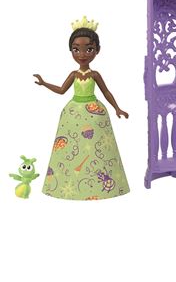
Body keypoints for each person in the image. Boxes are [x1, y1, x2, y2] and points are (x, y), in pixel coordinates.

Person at [34, 16, 130, 200]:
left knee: (96, 147)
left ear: (97, 50)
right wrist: (44, 83)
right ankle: (67, 181)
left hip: (95, 115)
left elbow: (106, 92)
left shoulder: (95, 74)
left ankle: (101, 183)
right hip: (73, 114)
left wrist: (117, 108)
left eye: (89, 49)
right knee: (72, 147)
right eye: (76, 49)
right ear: (71, 50)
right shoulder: (73, 74)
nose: (83, 54)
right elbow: (61, 90)